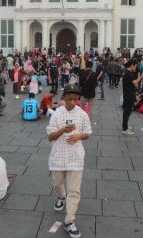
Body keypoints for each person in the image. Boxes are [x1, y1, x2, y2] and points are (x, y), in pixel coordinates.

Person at [46, 84, 92, 238]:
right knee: (57, 184)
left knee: (75, 191)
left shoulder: (83, 115)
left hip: (76, 157)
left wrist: (79, 136)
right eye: (69, 98)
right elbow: (50, 137)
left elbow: (87, 132)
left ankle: (69, 221)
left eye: (75, 99)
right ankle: (61, 197)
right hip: (58, 156)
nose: (72, 102)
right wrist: (62, 131)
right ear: (63, 98)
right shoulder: (57, 114)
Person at [121, 59, 143, 136]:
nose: (136, 67)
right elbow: (136, 84)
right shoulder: (129, 74)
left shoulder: (127, 73)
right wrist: (140, 77)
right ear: (132, 65)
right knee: (127, 112)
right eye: (135, 66)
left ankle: (125, 126)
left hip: (127, 94)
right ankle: (125, 129)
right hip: (129, 95)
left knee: (127, 111)